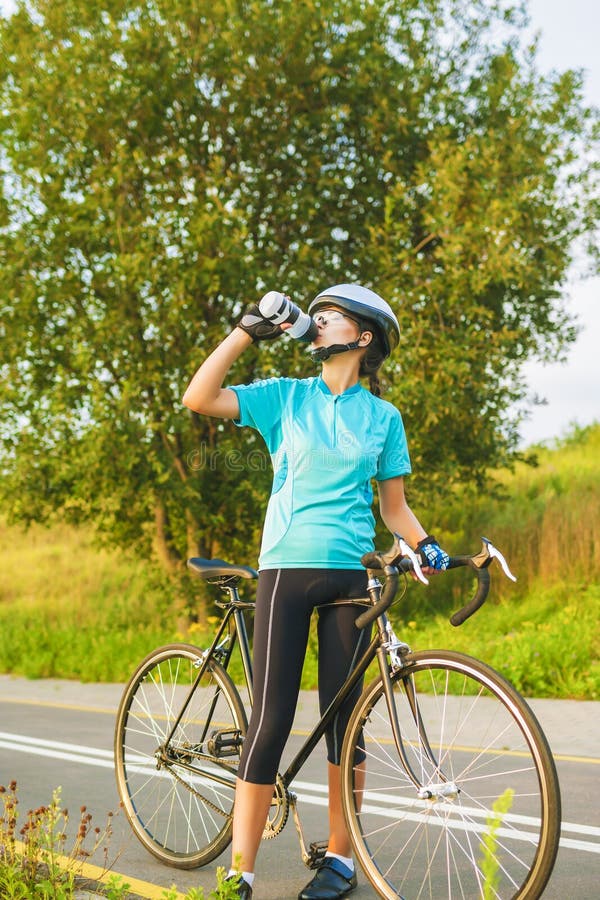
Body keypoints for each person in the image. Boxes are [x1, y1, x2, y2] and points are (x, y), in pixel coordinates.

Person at [182, 284, 449, 900]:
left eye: (329, 316)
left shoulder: (384, 418)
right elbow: (199, 397)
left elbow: (396, 509)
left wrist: (426, 542)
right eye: (315, 315)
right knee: (270, 719)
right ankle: (238, 874)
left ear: (362, 337)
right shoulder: (285, 397)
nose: (316, 322)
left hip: (351, 577)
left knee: (345, 728)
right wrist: (247, 330)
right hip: (285, 569)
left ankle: (339, 861)